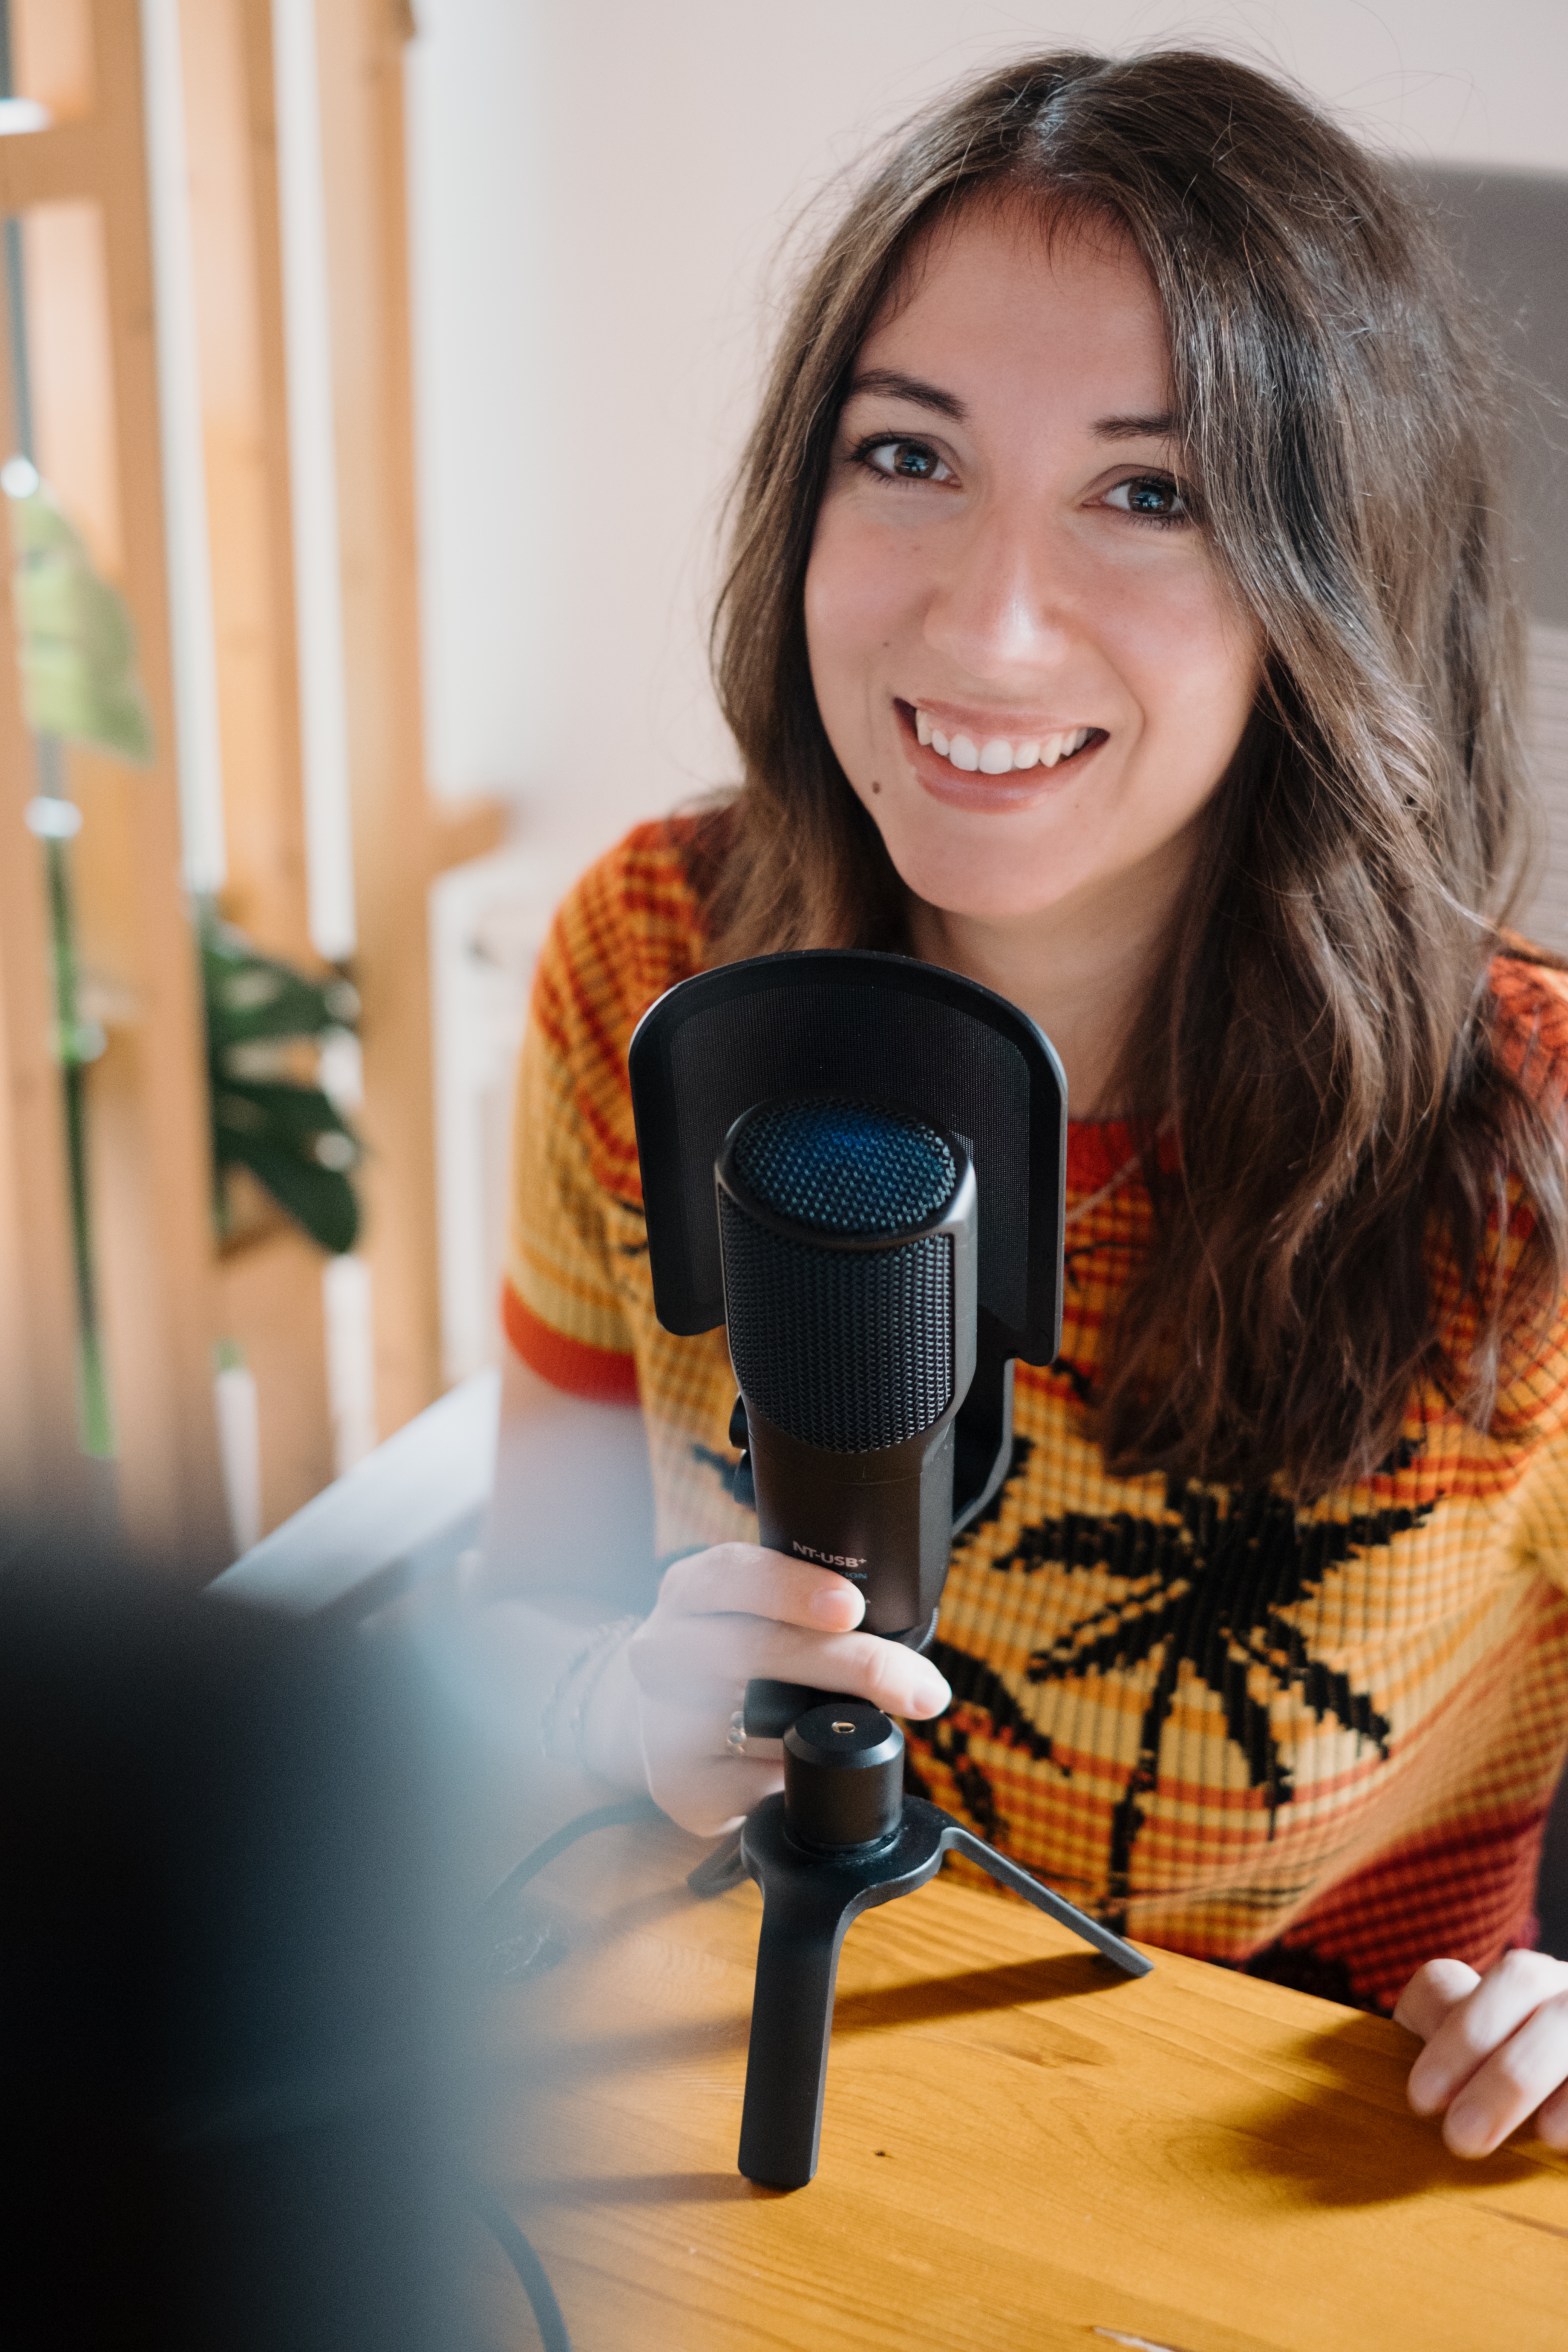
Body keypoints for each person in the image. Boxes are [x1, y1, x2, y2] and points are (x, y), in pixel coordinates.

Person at [483, 49, 1568, 2161]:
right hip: (724, 2078)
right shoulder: (652, 969)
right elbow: (525, 1595)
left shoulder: (1522, 1144)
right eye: (908, 455)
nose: (986, 626)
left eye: (1150, 495)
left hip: (1271, 2164)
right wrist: (613, 1708)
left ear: (1329, 575)